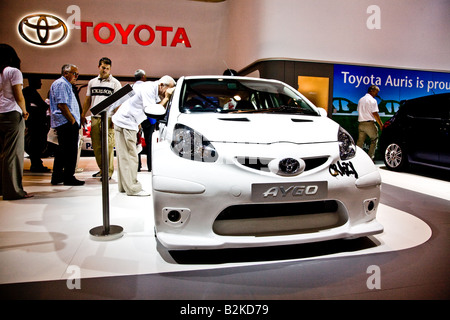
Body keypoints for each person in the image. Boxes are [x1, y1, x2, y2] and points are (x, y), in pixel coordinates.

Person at [112, 75, 176, 196]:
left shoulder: (151, 87)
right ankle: (133, 189)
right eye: (169, 90)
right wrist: (166, 98)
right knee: (131, 156)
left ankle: (124, 187)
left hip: (125, 122)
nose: (168, 93)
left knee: (124, 156)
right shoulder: (149, 89)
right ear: (162, 85)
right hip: (126, 123)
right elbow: (152, 111)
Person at [0, 44, 33, 200]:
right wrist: (25, 111)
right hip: (12, 113)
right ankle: (13, 191)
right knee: (13, 154)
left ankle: (3, 188)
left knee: (2, 153)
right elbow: (18, 95)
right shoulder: (13, 71)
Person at [82, 57, 121, 180]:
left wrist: (115, 118)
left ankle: (108, 172)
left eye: (108, 68)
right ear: (99, 66)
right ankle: (102, 169)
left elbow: (119, 102)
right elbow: (88, 99)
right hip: (95, 117)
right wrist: (83, 114)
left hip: (108, 118)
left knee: (108, 146)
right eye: (103, 68)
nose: (105, 70)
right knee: (97, 146)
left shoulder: (115, 83)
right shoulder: (92, 82)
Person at [49, 64, 84, 186]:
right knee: (70, 151)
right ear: (65, 73)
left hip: (66, 122)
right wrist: (72, 120)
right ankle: (68, 177)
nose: (76, 77)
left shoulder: (65, 84)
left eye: (77, 74)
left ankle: (58, 176)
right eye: (74, 74)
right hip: (66, 123)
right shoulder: (62, 84)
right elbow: (62, 105)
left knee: (62, 151)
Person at [23, 75, 50, 172]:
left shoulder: (29, 93)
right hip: (35, 124)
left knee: (35, 144)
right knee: (35, 144)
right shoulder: (30, 93)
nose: (41, 83)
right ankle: (36, 164)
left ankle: (36, 163)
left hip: (34, 123)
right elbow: (42, 106)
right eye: (39, 81)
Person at [356, 85, 383, 160]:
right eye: (376, 92)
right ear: (372, 91)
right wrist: (381, 124)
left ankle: (357, 158)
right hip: (369, 124)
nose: (376, 94)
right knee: (374, 140)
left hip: (361, 124)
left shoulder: (361, 99)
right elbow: (375, 114)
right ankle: (370, 158)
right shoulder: (373, 100)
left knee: (360, 142)